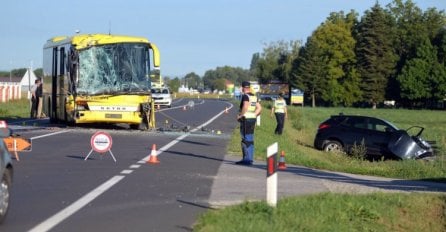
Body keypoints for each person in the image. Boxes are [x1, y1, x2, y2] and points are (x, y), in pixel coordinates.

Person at [236, 81, 262, 165]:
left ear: (243, 87)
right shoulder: (254, 96)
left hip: (245, 119)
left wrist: (240, 115)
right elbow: (259, 108)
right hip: (252, 118)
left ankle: (246, 159)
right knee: (250, 138)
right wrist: (254, 114)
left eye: (241, 87)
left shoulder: (245, 96)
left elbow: (245, 106)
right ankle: (250, 158)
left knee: (245, 138)